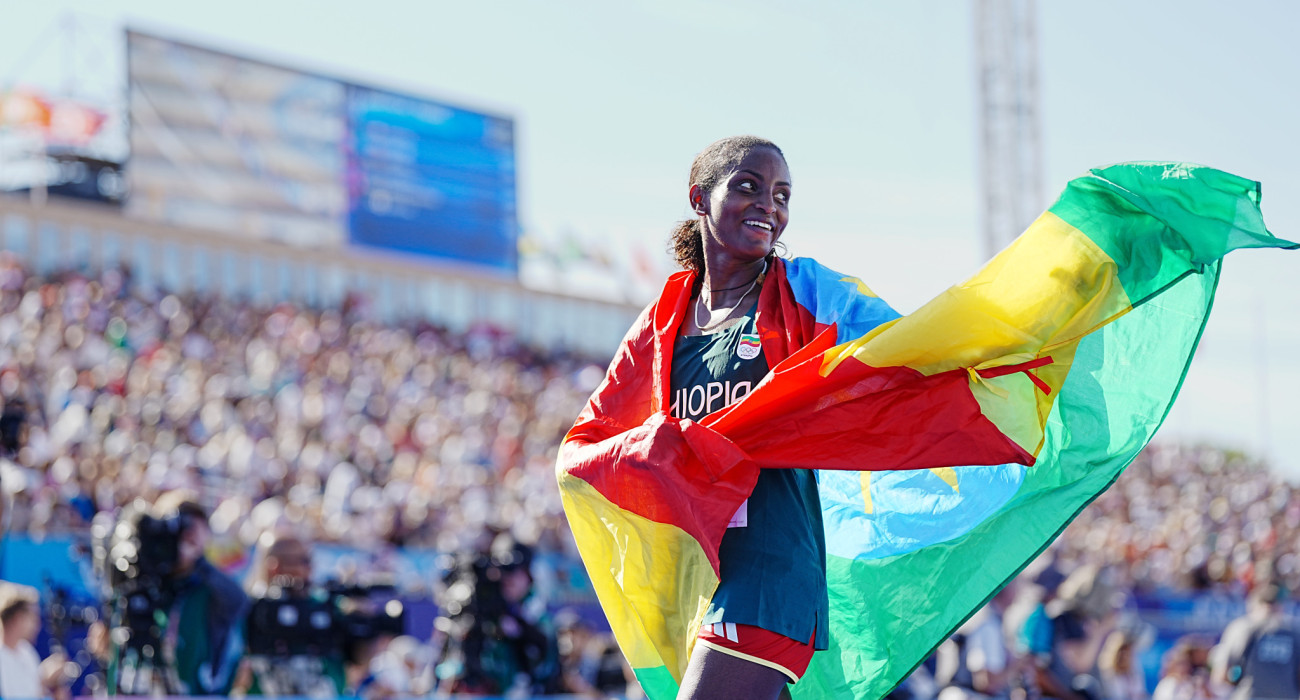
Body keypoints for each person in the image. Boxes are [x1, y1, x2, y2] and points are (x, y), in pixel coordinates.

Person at [1210, 580, 1300, 700]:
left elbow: (1221, 675)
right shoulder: (1295, 630)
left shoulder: (1241, 627)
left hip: (1249, 695)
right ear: (1281, 605)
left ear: (1252, 604)